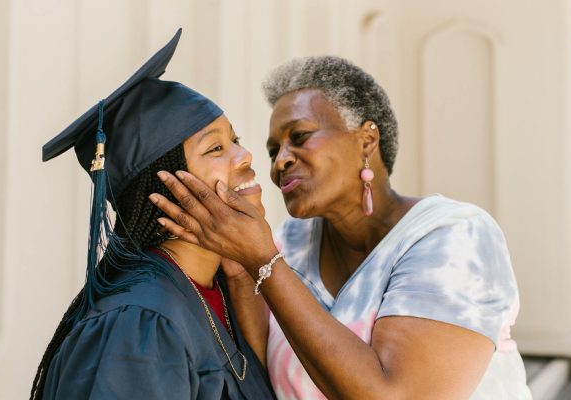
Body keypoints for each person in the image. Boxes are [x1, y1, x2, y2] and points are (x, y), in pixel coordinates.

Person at [149, 55, 533, 399]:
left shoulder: (453, 237)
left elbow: (395, 395)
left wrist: (262, 261)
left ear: (366, 140)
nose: (280, 161)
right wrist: (238, 267)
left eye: (299, 137)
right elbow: (263, 382)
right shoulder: (287, 245)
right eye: (273, 150)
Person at [31, 29, 274, 400]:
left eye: (235, 141)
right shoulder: (137, 325)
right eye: (215, 148)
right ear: (162, 189)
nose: (245, 157)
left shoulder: (221, 288)